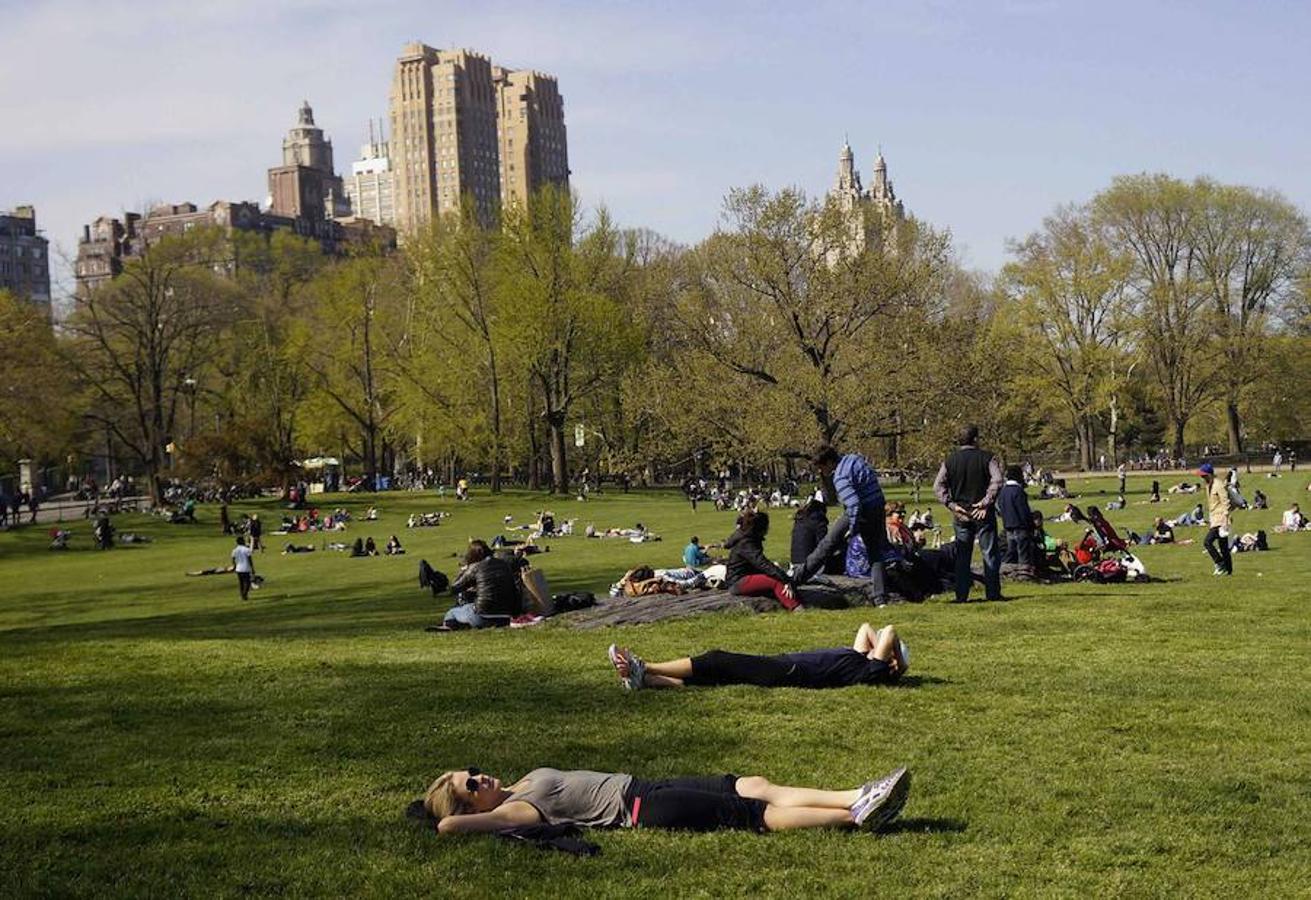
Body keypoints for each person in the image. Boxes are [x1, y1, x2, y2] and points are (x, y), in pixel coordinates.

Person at [421, 764, 911, 836]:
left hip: (644, 785)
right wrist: (450, 818)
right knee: (753, 814)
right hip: (641, 809)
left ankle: (859, 792)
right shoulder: (514, 812)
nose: (480, 777)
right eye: (471, 786)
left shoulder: (521, 783)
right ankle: (854, 816)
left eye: (472, 771)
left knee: (752, 783)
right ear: (471, 807)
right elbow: (446, 828)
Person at [606, 623, 908, 691]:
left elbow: (889, 630)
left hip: (788, 671)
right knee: (716, 679)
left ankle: (643, 666)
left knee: (718, 659)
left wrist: (900, 664)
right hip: (784, 666)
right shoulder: (861, 661)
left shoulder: (869, 671)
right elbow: (868, 628)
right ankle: (643, 679)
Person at [796, 445, 889, 605]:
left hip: (862, 512)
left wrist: (851, 530)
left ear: (830, 462)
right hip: (877, 506)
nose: (820, 471)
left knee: (827, 544)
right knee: (875, 552)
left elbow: (853, 505)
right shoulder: (854, 459)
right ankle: (880, 598)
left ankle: (797, 579)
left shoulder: (840, 477)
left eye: (821, 466)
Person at [933, 424, 1004, 603]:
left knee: (962, 556)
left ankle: (962, 595)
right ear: (976, 439)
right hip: (982, 513)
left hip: (961, 512)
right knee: (989, 554)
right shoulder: (987, 458)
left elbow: (938, 486)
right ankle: (993, 593)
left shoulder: (950, 460)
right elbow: (997, 480)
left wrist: (951, 504)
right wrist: (985, 502)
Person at [723, 509, 798, 610]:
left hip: (742, 577)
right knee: (775, 580)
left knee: (776, 574)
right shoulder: (747, 543)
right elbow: (762, 563)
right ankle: (796, 608)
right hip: (738, 581)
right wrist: (785, 580)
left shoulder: (746, 537)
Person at [441, 540, 523, 629]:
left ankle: (449, 626)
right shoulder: (504, 564)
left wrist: (463, 571)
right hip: (506, 616)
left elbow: (455, 588)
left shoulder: (475, 567)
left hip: (483, 615)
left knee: (451, 613)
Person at [1198, 463, 1232, 576]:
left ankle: (1220, 563)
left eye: (1204, 476)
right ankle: (1228, 570)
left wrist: (1225, 521)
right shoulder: (1209, 485)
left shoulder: (1218, 485)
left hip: (1221, 519)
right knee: (1223, 547)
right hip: (1214, 519)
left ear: (1210, 475)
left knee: (1207, 542)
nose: (1202, 478)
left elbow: (1225, 501)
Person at [997, 465, 1035, 569]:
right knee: (1023, 553)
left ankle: (1006, 570)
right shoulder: (1018, 491)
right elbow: (1023, 511)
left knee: (1011, 552)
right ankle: (1024, 574)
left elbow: (1000, 508)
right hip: (1020, 526)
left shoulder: (1003, 492)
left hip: (1008, 526)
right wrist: (1030, 525)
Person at [232, 535, 255, 601]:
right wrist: (252, 568)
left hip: (238, 569)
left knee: (241, 583)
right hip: (246, 568)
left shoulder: (235, 550)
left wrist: (234, 566)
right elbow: (249, 559)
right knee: (247, 583)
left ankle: (242, 594)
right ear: (242, 541)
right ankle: (244, 594)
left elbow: (233, 559)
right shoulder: (246, 550)